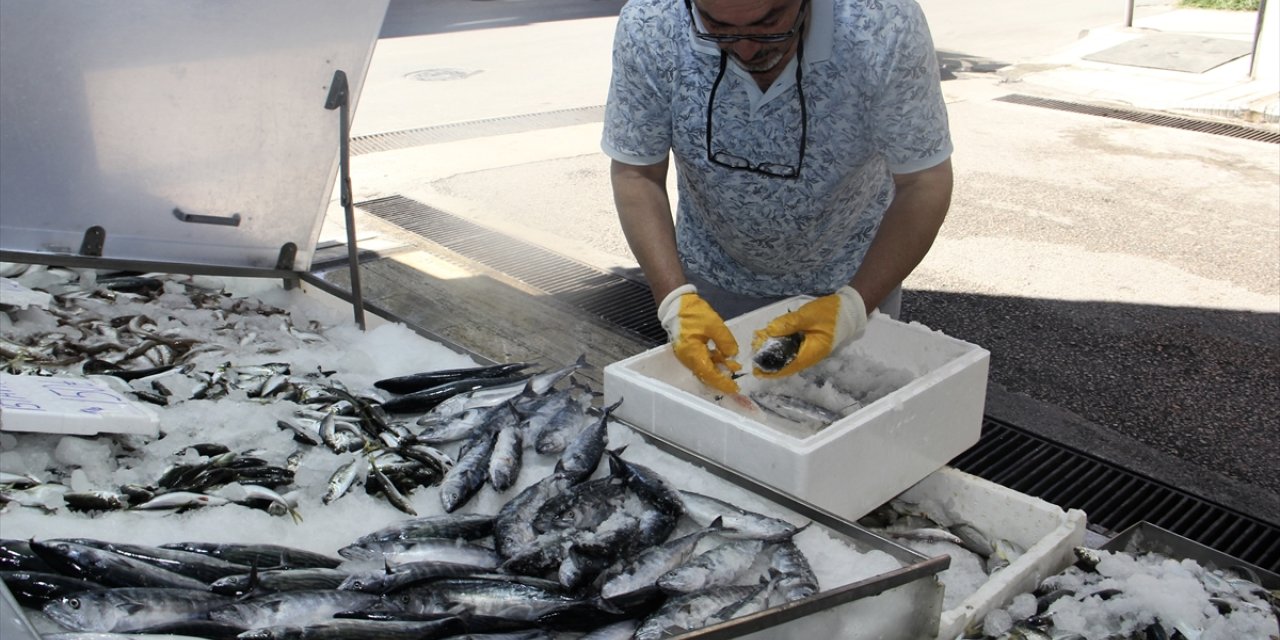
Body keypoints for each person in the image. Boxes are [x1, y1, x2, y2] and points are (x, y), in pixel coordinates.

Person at [602, 0, 953, 395]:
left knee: (852, 422)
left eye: (769, 23)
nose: (747, 50)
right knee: (725, 421)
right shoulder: (651, 21)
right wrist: (673, 299)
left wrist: (855, 307)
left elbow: (924, 183)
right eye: (717, 25)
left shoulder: (881, 22)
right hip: (710, 281)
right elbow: (637, 174)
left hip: (854, 278)